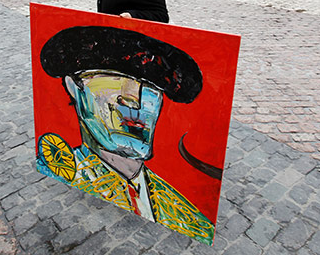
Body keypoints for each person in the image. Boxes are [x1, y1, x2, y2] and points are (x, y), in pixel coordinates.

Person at [37, 26, 214, 245]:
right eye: (115, 77)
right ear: (73, 87)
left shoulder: (192, 221)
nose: (134, 99)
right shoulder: (59, 171)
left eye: (151, 84)